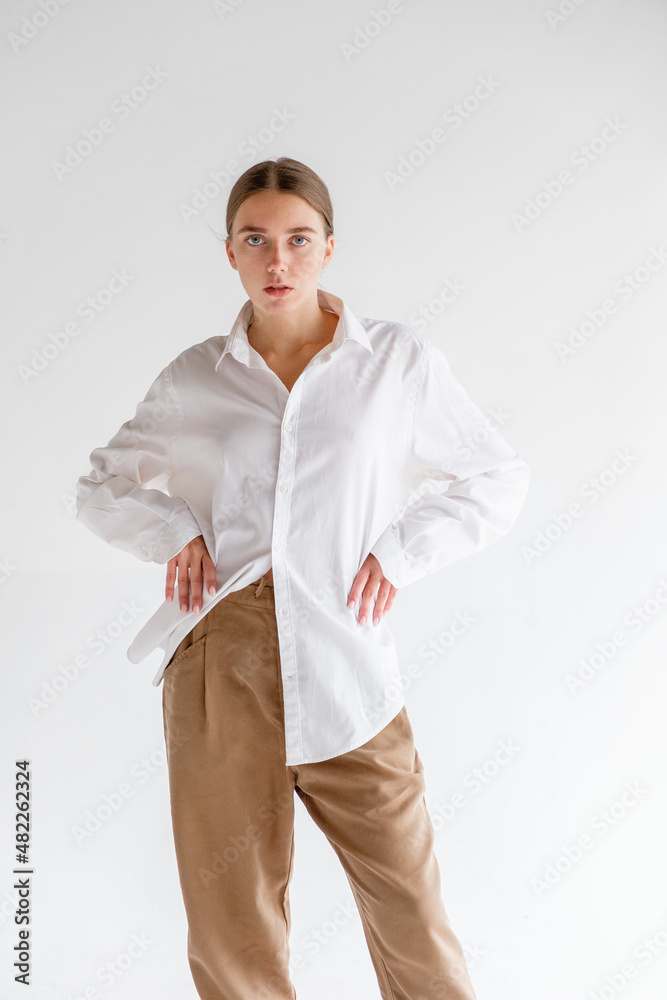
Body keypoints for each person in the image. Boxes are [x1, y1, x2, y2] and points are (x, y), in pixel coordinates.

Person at [76, 156, 530, 1000]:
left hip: (347, 655)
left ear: (327, 247)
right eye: (255, 241)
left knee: (411, 913)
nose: (276, 260)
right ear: (230, 254)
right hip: (220, 661)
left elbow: (495, 475)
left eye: (297, 239)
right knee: (233, 929)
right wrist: (172, 531)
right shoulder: (196, 377)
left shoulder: (394, 362)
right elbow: (101, 485)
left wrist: (399, 552)